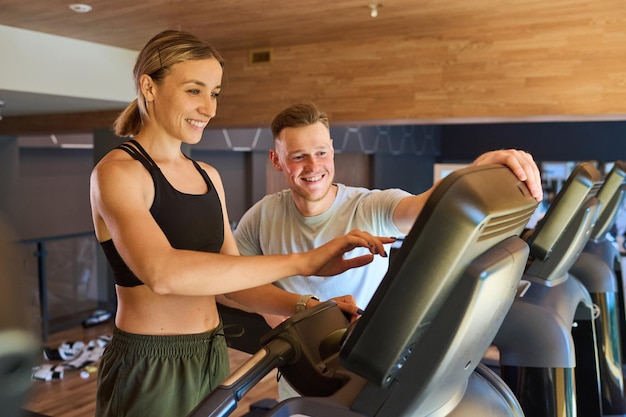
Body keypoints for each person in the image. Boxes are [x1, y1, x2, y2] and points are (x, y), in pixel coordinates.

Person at [90, 31, 393, 417]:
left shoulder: (207, 176)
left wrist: (309, 306)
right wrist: (307, 261)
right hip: (151, 361)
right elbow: (162, 273)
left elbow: (235, 288)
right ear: (149, 86)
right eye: (194, 91)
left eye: (214, 93)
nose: (209, 108)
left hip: (211, 353)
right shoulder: (118, 173)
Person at [233, 102, 544, 399]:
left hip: (365, 365)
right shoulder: (261, 216)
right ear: (277, 160)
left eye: (321, 153)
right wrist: (294, 320)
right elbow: (234, 284)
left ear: (332, 150)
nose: (314, 166)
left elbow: (423, 207)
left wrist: (474, 171)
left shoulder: (368, 206)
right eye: (299, 156)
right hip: (298, 373)